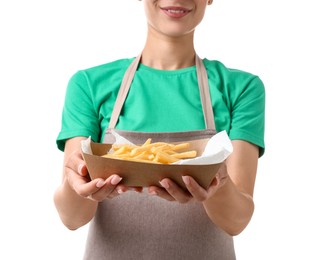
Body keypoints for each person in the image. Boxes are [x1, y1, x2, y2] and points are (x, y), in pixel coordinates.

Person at [54, 0, 265, 259]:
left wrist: (215, 183)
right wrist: (79, 185)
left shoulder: (241, 89)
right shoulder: (88, 85)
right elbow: (71, 218)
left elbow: (237, 221)